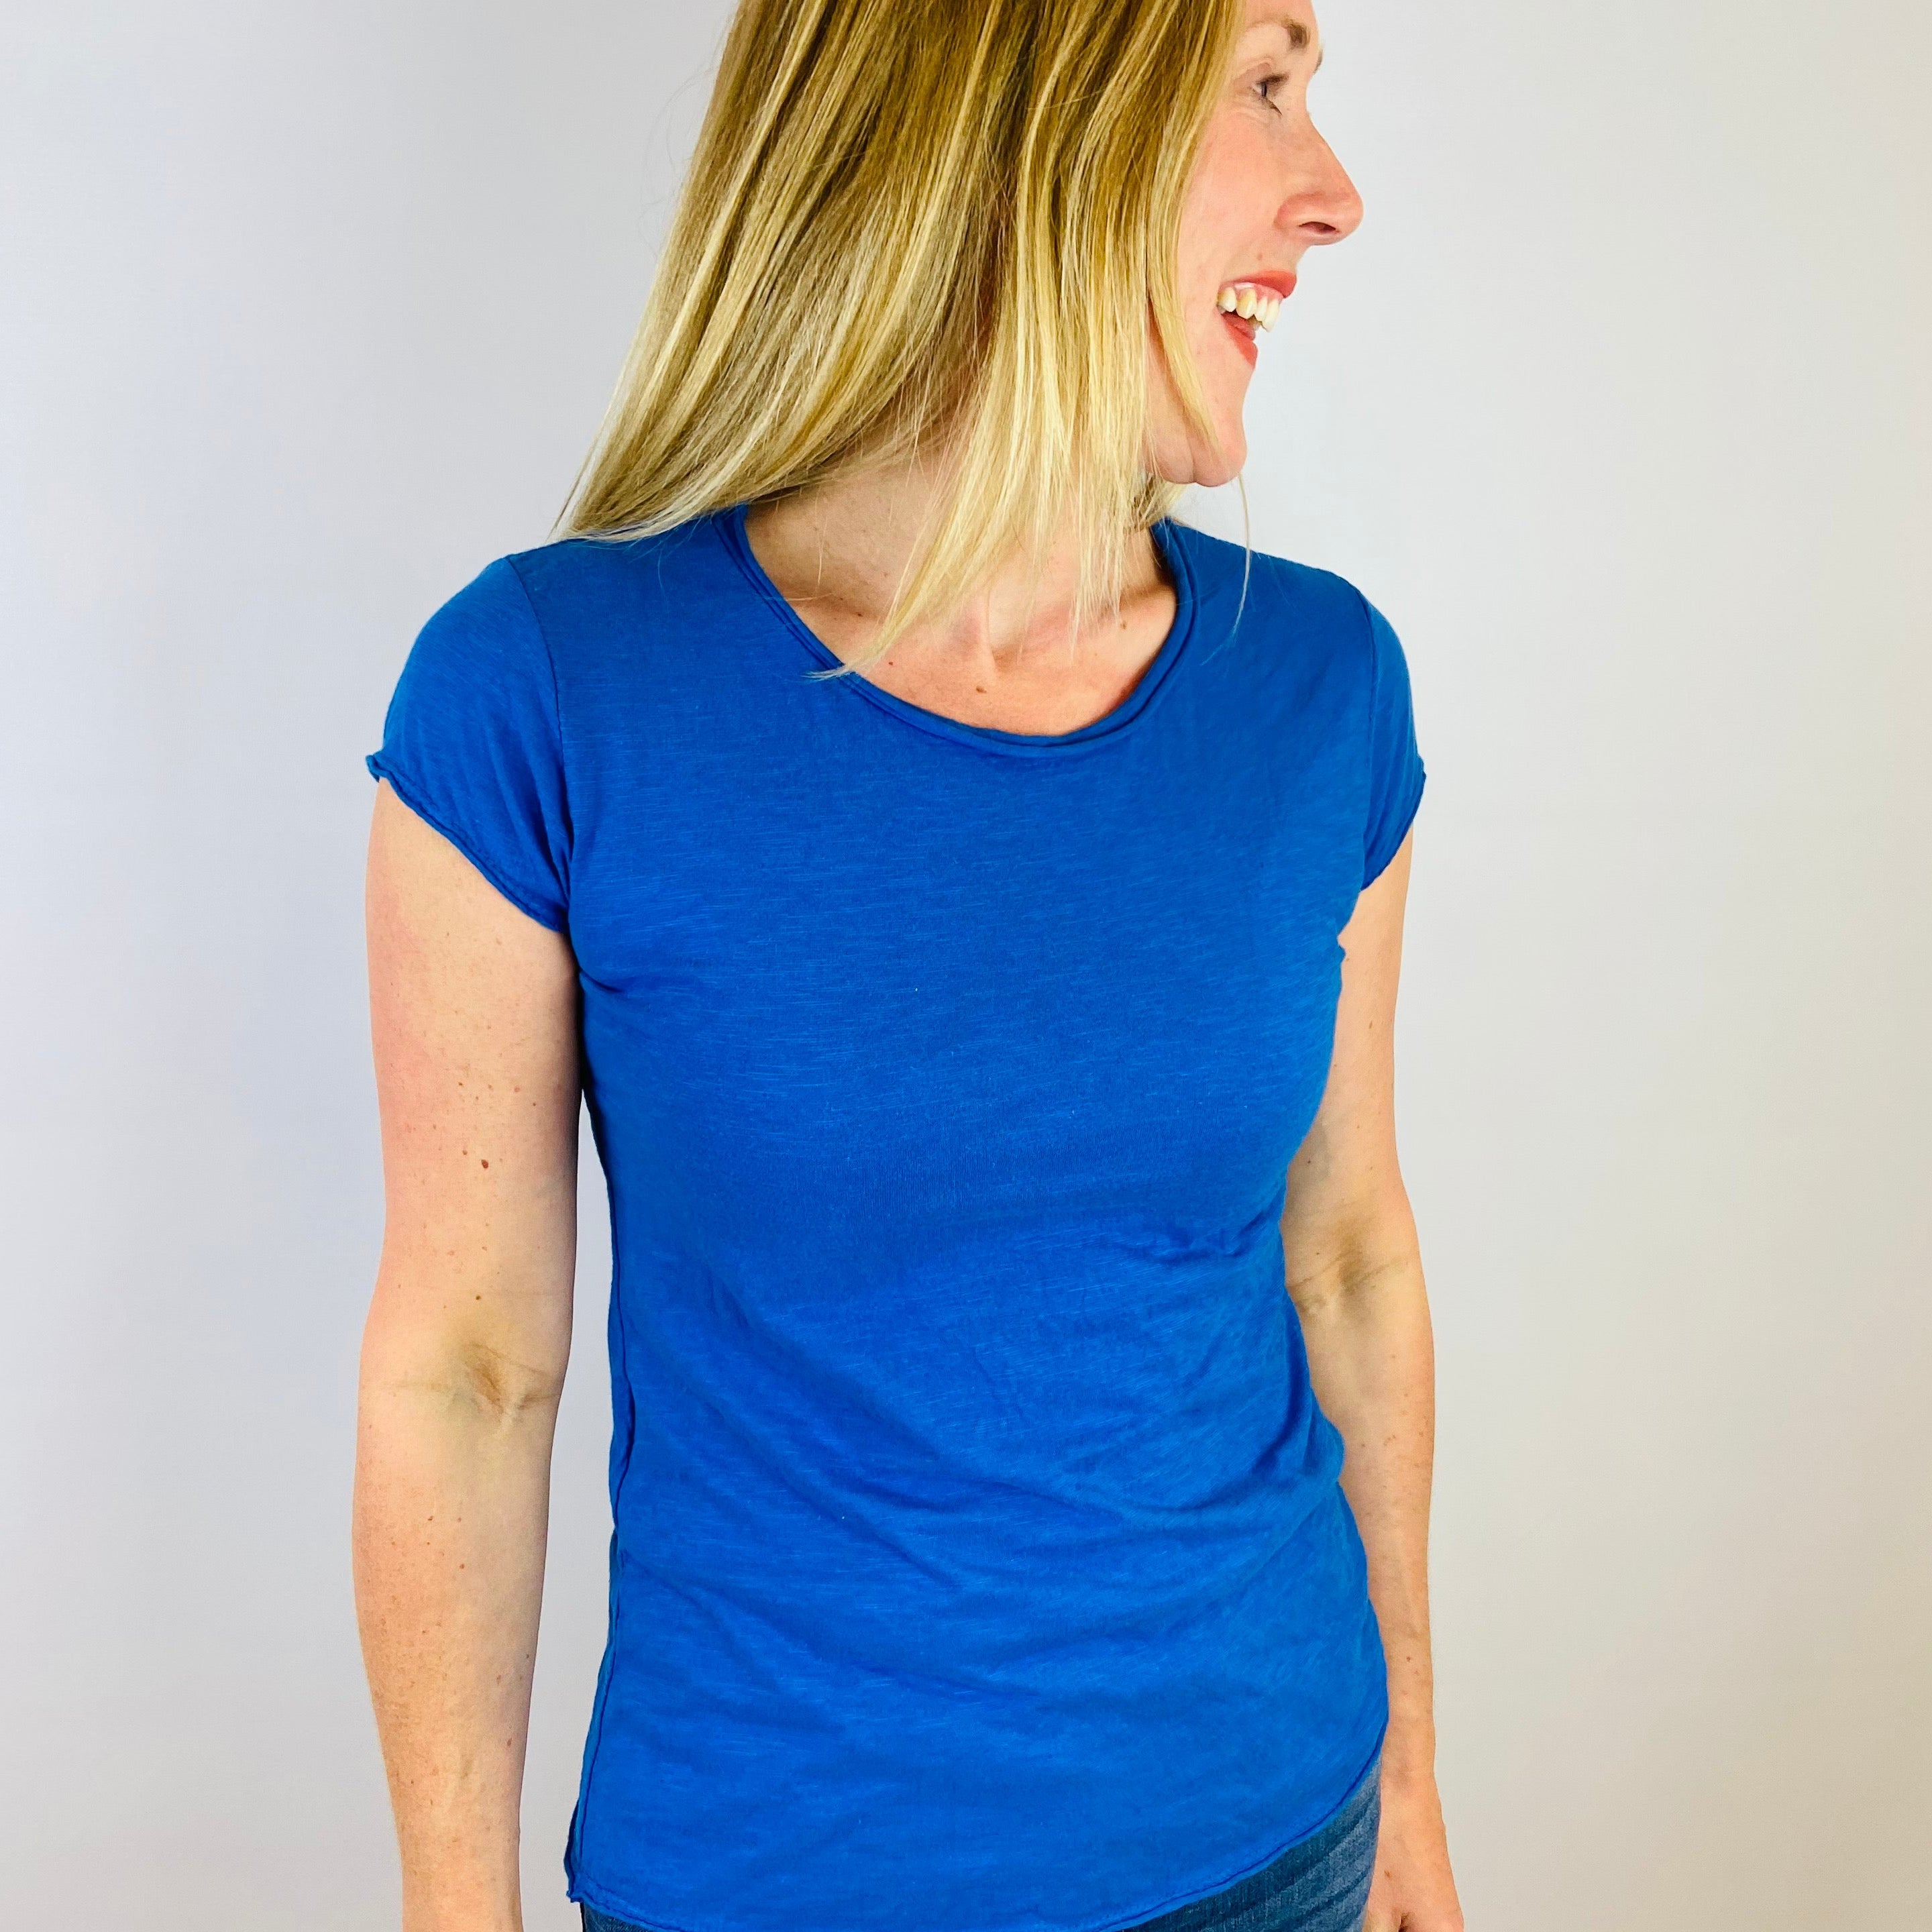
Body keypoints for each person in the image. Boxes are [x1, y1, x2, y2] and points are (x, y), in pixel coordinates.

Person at [353, 0, 1464, 1928]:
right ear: (1032, 107)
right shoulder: (547, 691)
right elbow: (466, 1370)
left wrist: (1417, 1788)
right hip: (773, 1877)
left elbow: (1348, 1252)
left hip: (1280, 1836)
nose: (1332, 192)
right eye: (1269, 86)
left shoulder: (1321, 692)